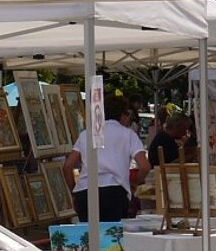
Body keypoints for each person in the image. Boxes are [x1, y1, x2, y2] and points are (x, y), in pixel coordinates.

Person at [63, 94, 150, 222]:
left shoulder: (86, 134)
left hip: (86, 190)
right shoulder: (128, 134)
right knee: (111, 238)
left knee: (89, 237)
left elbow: (68, 166)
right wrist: (135, 182)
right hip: (114, 191)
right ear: (123, 115)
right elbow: (144, 166)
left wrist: (73, 191)